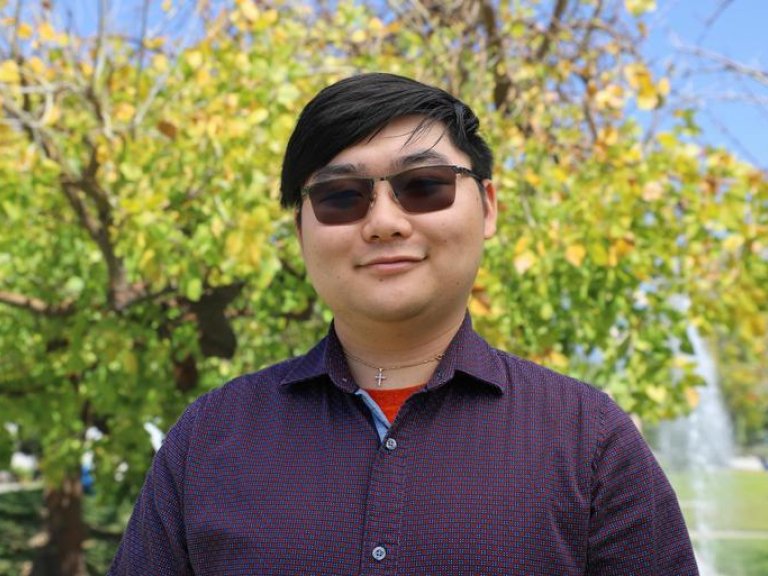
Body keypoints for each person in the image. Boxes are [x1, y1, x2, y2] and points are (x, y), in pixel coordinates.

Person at [108, 73, 699, 575]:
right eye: (342, 196)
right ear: (301, 233)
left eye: (423, 186)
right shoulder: (209, 439)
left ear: (487, 207)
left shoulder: (589, 441)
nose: (384, 222)